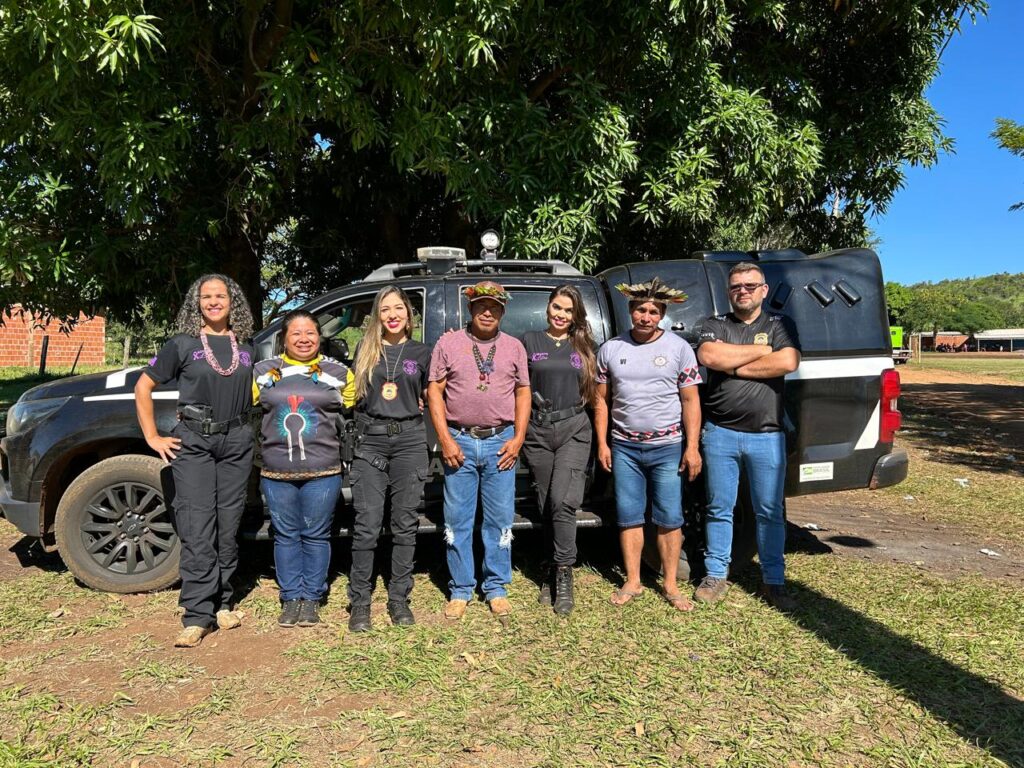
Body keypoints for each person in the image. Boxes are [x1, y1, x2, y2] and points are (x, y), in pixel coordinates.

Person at [135, 273, 256, 648]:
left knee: (228, 523)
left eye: (221, 296)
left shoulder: (247, 346)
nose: (214, 302)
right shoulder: (182, 344)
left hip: (237, 441)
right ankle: (197, 614)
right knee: (198, 524)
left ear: (233, 302)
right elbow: (144, 386)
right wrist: (152, 436)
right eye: (207, 297)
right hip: (195, 442)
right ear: (197, 303)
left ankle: (223, 602)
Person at [694, 262, 801, 611]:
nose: (743, 291)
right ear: (729, 291)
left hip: (767, 435)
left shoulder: (780, 324)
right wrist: (762, 351)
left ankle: (774, 581)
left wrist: (733, 365)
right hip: (719, 433)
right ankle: (715, 575)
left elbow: (788, 362)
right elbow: (709, 355)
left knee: (769, 511)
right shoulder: (714, 324)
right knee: (718, 508)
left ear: (764, 290)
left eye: (750, 285)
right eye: (736, 286)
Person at [593, 278, 702, 611]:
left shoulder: (679, 348)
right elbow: (601, 401)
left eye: (653, 311)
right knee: (629, 516)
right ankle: (633, 580)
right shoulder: (611, 349)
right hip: (624, 447)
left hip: (668, 447)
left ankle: (670, 584)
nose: (646, 317)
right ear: (630, 311)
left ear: (662, 314)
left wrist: (692, 447)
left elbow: (690, 400)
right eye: (640, 310)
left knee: (669, 517)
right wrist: (603, 444)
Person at [426, 280, 531, 620]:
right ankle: (460, 588)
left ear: (503, 311)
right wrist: (445, 439)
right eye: (482, 306)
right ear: (470, 308)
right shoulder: (449, 343)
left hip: (501, 441)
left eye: (495, 307)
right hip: (460, 441)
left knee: (499, 519)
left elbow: (523, 392)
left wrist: (518, 438)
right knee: (457, 519)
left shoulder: (514, 347)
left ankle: (496, 586)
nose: (488, 312)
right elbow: (434, 390)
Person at [253, 310, 355, 628]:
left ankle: (311, 597)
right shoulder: (262, 372)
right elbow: (243, 407)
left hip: (323, 471)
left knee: (316, 534)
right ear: (284, 339)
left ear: (319, 337)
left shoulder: (339, 373)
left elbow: (357, 406)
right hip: (276, 471)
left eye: (310, 332)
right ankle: (290, 597)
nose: (303, 339)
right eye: (295, 333)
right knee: (285, 535)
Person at [346, 286, 432, 632]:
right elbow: (352, 397)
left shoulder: (423, 352)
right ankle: (360, 602)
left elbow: (433, 395)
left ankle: (398, 598)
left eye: (398, 308)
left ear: (409, 314)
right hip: (371, 441)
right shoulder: (365, 349)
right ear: (377, 316)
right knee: (366, 525)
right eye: (385, 310)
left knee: (404, 524)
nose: (392, 315)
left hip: (410, 440)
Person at [520, 285, 598, 615]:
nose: (561, 315)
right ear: (547, 307)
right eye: (556, 307)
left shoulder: (585, 346)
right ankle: (550, 567)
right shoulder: (528, 341)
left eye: (568, 310)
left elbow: (598, 395)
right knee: (545, 503)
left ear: (575, 315)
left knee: (563, 502)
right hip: (537, 431)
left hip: (573, 428)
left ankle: (564, 573)